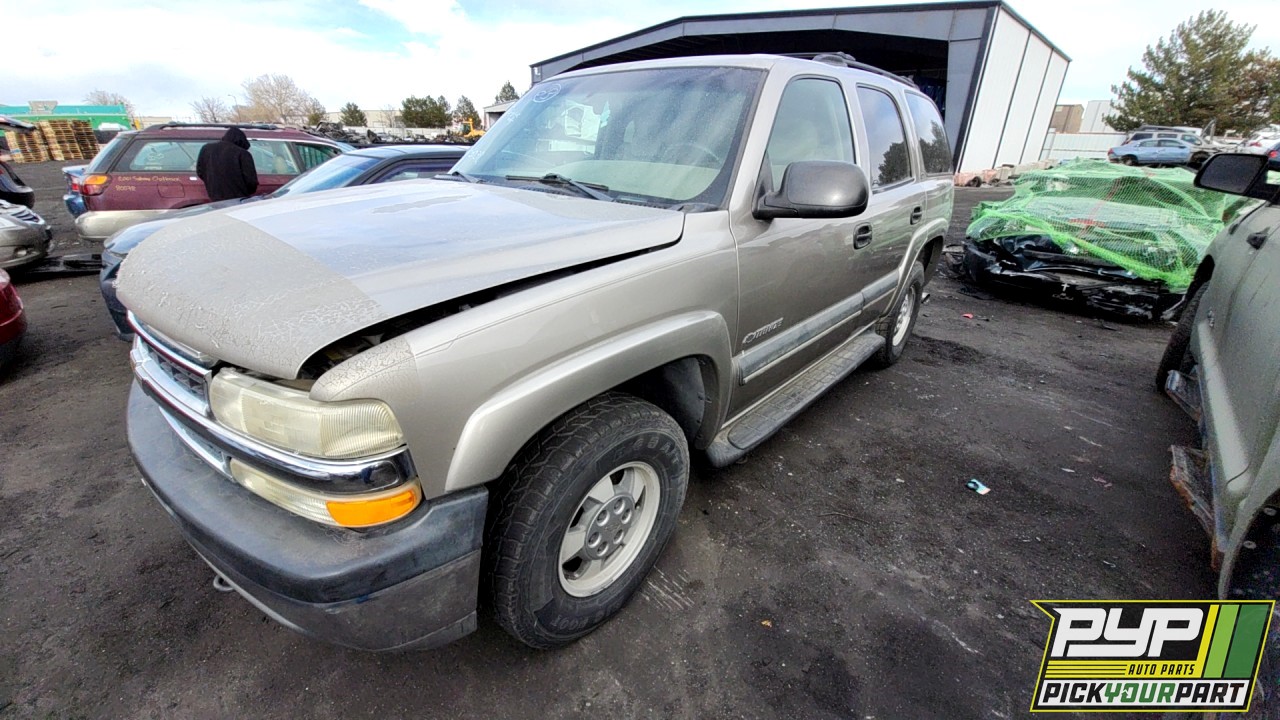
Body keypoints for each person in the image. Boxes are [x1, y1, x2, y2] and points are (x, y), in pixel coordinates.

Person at [195, 127, 259, 201]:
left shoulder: (206, 149)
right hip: (238, 198)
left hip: (214, 195)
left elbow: (200, 171)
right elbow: (251, 181)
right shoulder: (242, 153)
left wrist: (211, 182)